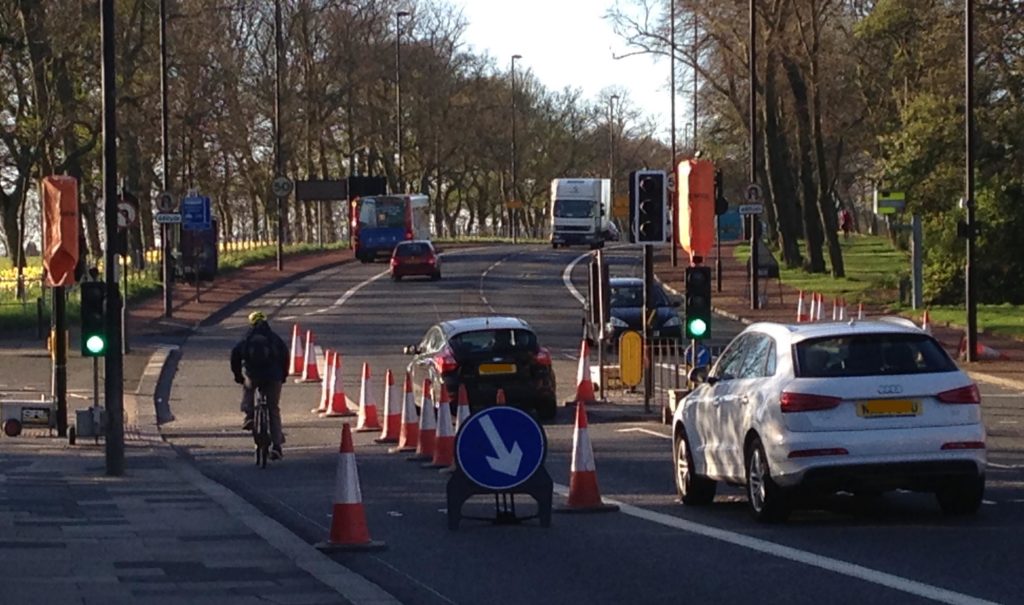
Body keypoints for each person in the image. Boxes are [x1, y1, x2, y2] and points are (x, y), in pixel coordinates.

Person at [230, 311, 289, 460]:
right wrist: (283, 376)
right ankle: (276, 446)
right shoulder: (273, 338)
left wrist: (238, 376)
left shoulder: (247, 338)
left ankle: (249, 415)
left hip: (253, 374)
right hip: (273, 376)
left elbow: (235, 356)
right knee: (273, 409)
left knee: (248, 387)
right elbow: (285, 356)